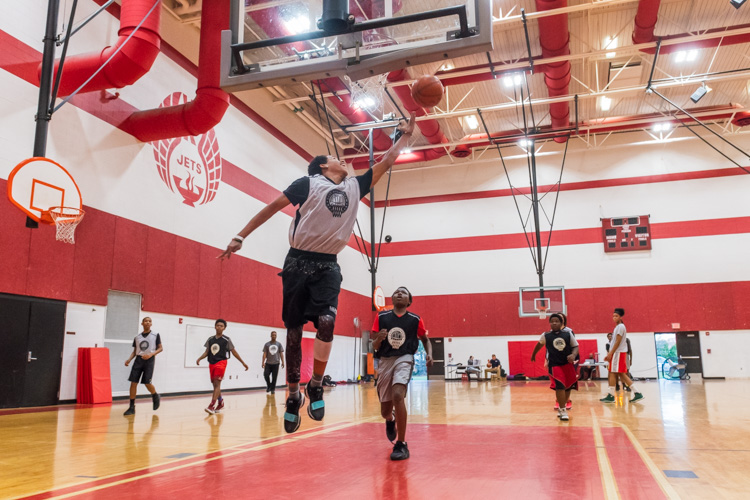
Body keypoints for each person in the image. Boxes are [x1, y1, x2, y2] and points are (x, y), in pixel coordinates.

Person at [219, 113, 418, 433]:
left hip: (328, 264)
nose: (343, 160)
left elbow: (388, 161)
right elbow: (271, 207)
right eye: (336, 158)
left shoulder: (355, 186)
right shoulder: (307, 183)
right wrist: (241, 236)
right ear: (324, 166)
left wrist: (404, 137)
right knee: (294, 331)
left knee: (327, 322)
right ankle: (294, 393)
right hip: (297, 261)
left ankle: (315, 384)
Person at [372, 286, 432, 461]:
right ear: (392, 298)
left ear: (409, 301)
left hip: (405, 357)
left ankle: (402, 443)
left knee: (398, 394)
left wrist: (429, 353)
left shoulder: (415, 319)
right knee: (384, 410)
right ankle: (390, 420)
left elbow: (425, 340)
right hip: (385, 360)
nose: (399, 293)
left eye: (403, 293)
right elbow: (374, 346)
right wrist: (378, 339)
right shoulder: (381, 317)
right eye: (397, 292)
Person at [531, 313, 579, 421]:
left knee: (568, 387)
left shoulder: (568, 334)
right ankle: (562, 410)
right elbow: (539, 344)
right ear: (549, 323)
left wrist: (573, 355)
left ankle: (563, 405)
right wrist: (533, 354)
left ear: (561, 323)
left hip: (567, 364)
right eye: (552, 321)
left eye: (557, 321)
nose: (554, 323)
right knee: (560, 386)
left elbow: (575, 346)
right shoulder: (546, 335)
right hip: (555, 365)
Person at [196, 319, 249, 414]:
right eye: (218, 325)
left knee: (217, 383)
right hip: (211, 363)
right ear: (215, 326)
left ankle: (211, 406)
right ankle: (220, 402)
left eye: (221, 326)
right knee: (215, 385)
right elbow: (206, 352)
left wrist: (243, 362)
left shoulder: (226, 340)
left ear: (224, 328)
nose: (219, 327)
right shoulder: (210, 339)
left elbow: (234, 352)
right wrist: (199, 358)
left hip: (221, 363)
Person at [601, 308, 644, 404]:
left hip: (618, 353)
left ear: (620, 317)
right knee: (621, 374)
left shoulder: (620, 327)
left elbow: (618, 341)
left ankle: (611, 395)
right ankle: (637, 393)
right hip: (618, 353)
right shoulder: (618, 327)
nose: (614, 318)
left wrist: (611, 353)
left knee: (612, 372)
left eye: (616, 316)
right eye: (613, 316)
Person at [123, 317, 162, 416]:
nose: (148, 322)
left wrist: (151, 354)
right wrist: (129, 359)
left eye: (150, 321)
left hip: (149, 360)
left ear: (151, 324)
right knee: (133, 383)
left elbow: (160, 348)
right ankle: (132, 407)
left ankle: (155, 395)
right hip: (139, 360)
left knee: (147, 383)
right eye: (146, 321)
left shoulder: (155, 335)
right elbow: (135, 351)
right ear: (142, 323)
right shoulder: (137, 337)